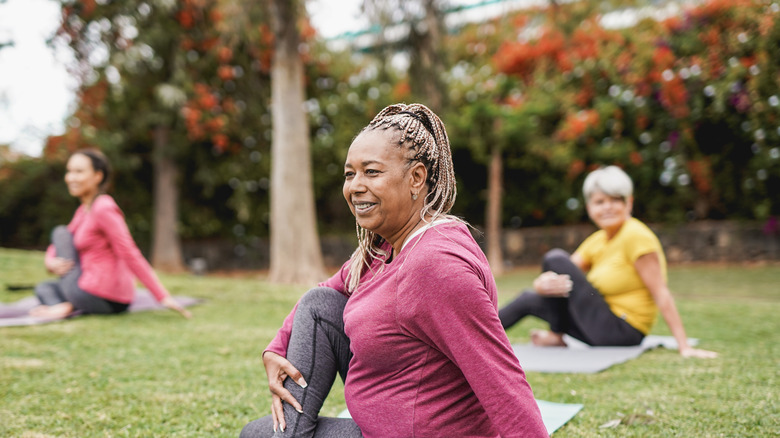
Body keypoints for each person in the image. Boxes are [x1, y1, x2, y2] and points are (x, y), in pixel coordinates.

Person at [241, 104, 548, 438]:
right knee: (319, 304)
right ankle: (288, 432)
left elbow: (501, 380)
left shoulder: (436, 265)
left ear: (416, 177)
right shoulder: (386, 246)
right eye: (349, 174)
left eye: (371, 172)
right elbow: (327, 291)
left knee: (256, 435)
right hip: (382, 425)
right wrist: (275, 348)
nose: (355, 186)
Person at [499, 166, 717, 359]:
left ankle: (556, 335)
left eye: (615, 200)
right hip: (597, 324)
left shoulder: (636, 236)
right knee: (529, 298)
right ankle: (471, 341)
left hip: (623, 330)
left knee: (554, 257)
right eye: (600, 202)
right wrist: (541, 284)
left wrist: (684, 346)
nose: (607, 208)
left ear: (629, 202)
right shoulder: (598, 240)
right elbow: (562, 272)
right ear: (589, 207)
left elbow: (661, 292)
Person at [30, 148, 191, 319]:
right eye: (69, 171)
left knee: (60, 232)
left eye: (79, 171)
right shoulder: (83, 211)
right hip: (94, 293)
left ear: (98, 176)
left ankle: (66, 306)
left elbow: (129, 252)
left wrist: (162, 296)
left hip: (100, 295)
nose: (71, 177)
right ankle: (66, 306)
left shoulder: (103, 207)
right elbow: (58, 244)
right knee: (44, 288)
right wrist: (50, 262)